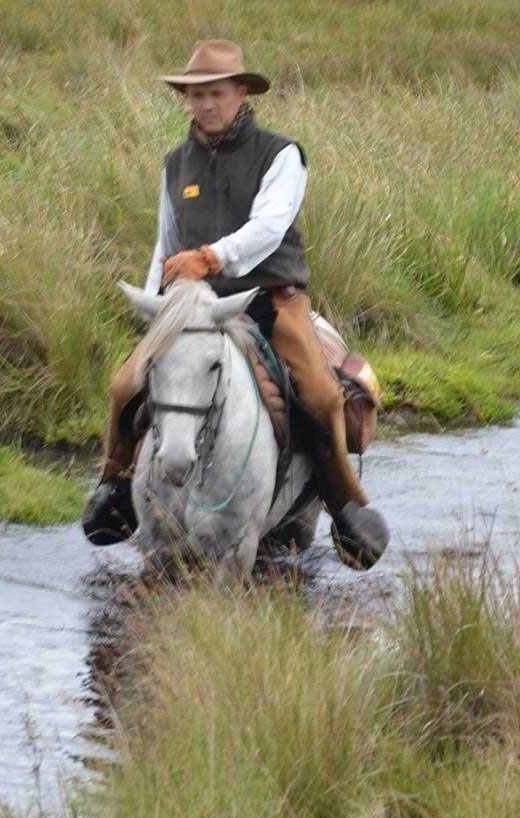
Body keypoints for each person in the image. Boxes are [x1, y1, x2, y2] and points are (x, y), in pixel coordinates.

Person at [82, 39, 389, 569]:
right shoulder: (176, 163)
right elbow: (165, 241)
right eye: (196, 95)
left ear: (240, 92)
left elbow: (268, 229)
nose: (205, 104)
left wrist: (211, 257)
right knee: (123, 386)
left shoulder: (281, 154)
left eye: (216, 93)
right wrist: (157, 303)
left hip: (272, 300)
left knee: (320, 395)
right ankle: (115, 489)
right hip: (192, 304)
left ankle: (347, 506)